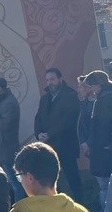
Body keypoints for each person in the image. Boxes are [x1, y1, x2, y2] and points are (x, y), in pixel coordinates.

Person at [34, 67, 82, 202]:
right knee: (53, 178)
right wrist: (39, 134)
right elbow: (38, 118)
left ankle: (80, 204)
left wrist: (49, 134)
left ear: (60, 79)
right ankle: (57, 204)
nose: (50, 82)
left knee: (72, 176)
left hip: (66, 144)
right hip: (49, 146)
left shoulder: (70, 95)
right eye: (47, 80)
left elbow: (67, 121)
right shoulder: (45, 98)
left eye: (52, 79)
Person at [86, 69, 112, 209]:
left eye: (92, 86)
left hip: (104, 152)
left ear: (99, 84)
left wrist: (101, 145)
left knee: (106, 187)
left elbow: (103, 127)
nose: (91, 90)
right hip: (107, 150)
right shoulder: (111, 95)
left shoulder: (105, 99)